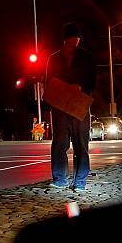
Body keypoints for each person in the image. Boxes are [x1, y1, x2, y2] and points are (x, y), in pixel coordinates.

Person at [45, 22, 97, 191]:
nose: (75, 42)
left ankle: (80, 181)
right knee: (60, 142)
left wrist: (80, 86)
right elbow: (49, 81)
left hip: (79, 105)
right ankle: (60, 179)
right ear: (66, 40)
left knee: (81, 142)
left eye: (77, 39)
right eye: (72, 39)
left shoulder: (86, 57)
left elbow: (92, 80)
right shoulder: (54, 58)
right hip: (60, 106)